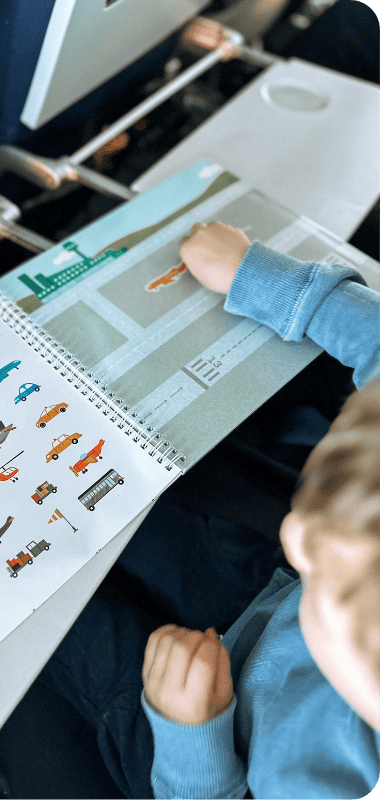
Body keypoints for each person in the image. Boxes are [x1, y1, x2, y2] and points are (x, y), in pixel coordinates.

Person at [39, 222, 380, 799]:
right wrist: (260, 275)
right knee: (103, 507)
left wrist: (192, 742)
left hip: (199, 754)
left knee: (39, 599)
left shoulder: (300, 780)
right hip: (270, 608)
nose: (298, 532)